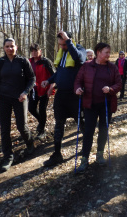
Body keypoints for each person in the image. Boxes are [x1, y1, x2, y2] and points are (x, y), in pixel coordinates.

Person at [0, 38, 36, 172]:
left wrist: (25, 92)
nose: (10, 49)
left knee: (22, 126)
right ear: (3, 48)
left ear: (16, 47)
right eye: (7, 46)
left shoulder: (23, 61)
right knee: (4, 128)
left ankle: (30, 142)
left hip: (20, 98)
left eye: (12, 46)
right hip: (4, 98)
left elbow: (32, 79)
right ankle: (8, 156)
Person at [74, 42, 122, 173]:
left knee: (103, 130)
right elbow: (78, 81)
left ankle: (100, 154)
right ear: (98, 52)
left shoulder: (112, 67)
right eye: (106, 52)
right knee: (88, 131)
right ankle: (84, 159)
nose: (109, 55)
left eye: (109, 52)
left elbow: (119, 83)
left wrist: (111, 89)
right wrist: (77, 89)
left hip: (106, 104)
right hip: (90, 104)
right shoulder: (86, 66)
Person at [42, 31, 86, 167]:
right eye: (60, 44)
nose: (61, 47)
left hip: (75, 95)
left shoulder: (79, 49)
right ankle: (57, 154)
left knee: (82, 122)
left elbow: (79, 59)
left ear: (69, 40)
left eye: (64, 44)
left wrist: (68, 42)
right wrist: (49, 81)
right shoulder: (62, 54)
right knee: (59, 123)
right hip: (61, 95)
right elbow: (59, 73)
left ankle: (86, 148)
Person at [28, 43, 55, 141]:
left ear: (40, 51)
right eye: (32, 51)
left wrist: (51, 87)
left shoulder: (45, 62)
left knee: (42, 109)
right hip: (33, 90)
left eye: (36, 50)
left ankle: (42, 130)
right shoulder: (29, 62)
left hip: (44, 89)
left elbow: (54, 75)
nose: (34, 53)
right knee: (31, 108)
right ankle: (41, 122)